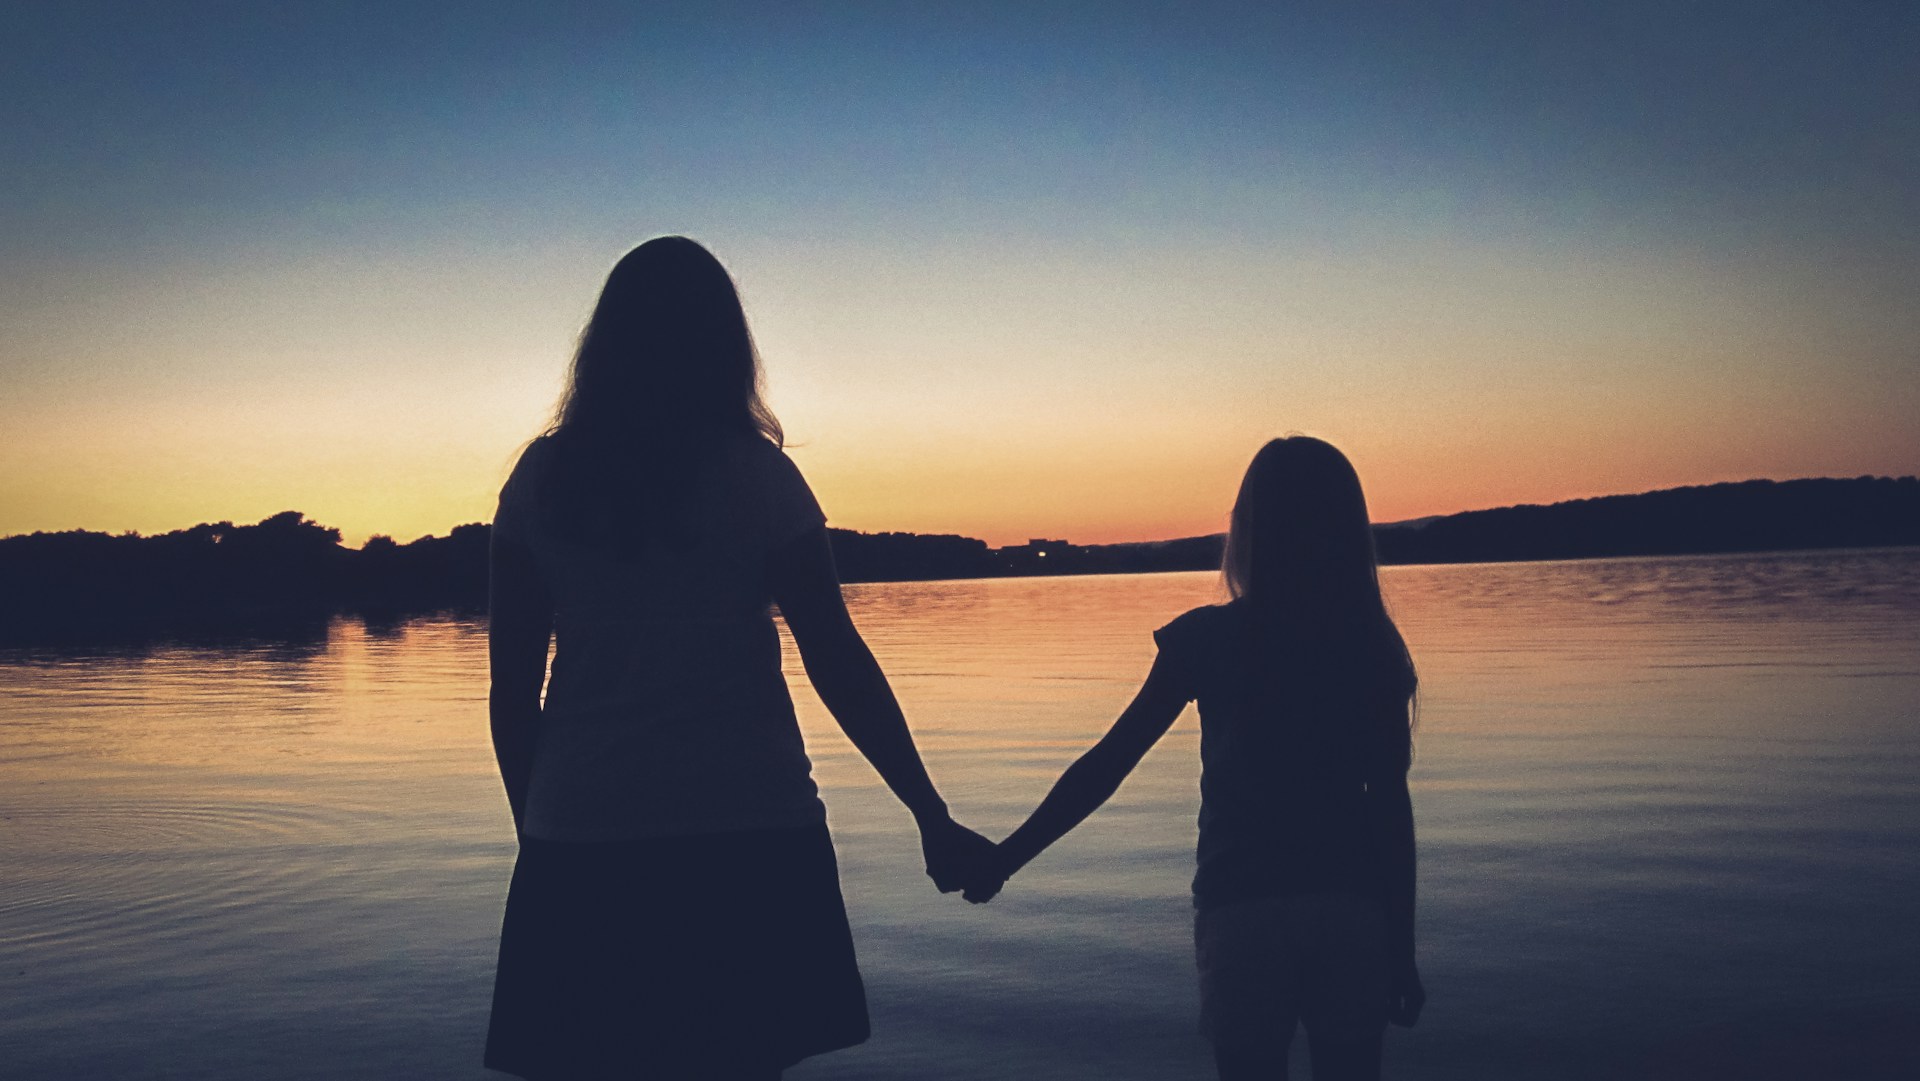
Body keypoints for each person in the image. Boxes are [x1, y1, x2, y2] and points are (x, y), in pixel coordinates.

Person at [483, 236, 994, 1080]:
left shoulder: (543, 480)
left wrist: (538, 836)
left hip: (585, 831)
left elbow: (511, 694)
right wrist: (929, 813)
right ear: (725, 343)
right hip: (751, 829)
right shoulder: (757, 475)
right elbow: (837, 657)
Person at [962, 436, 1425, 1081]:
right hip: (1351, 908)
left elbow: (1108, 764)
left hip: (1244, 910)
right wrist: (1402, 950)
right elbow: (1390, 808)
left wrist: (1006, 858)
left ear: (1249, 529)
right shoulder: (1368, 645)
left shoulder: (1207, 640)